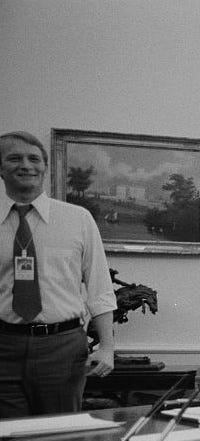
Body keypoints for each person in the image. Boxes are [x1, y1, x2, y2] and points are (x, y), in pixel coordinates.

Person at [0, 131, 116, 418]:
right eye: (14, 158)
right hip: (4, 347)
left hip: (62, 348)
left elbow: (99, 286)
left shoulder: (77, 219)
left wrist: (107, 347)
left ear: (44, 167)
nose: (25, 165)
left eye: (33, 159)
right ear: (0, 168)